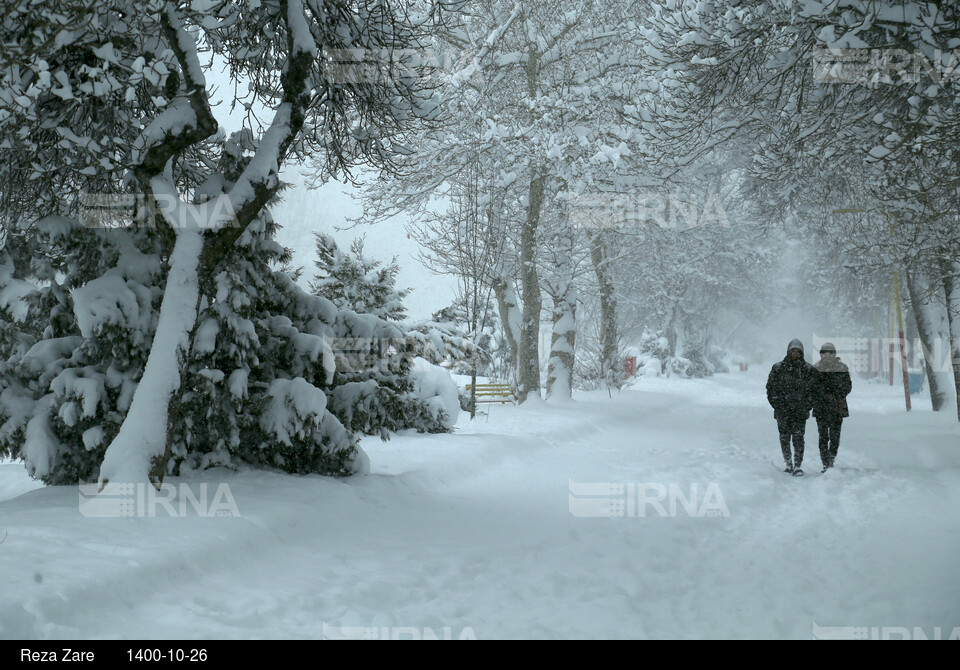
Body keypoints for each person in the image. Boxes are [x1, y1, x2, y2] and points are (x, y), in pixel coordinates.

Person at [766, 339, 815, 476]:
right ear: (788, 351)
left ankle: (798, 465)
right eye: (792, 351)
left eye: (797, 351)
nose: (795, 353)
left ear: (801, 353)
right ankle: (788, 463)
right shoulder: (778, 368)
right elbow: (770, 389)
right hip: (783, 410)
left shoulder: (808, 370)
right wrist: (777, 404)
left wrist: (807, 405)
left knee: (798, 438)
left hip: (800, 411)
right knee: (784, 437)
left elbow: (813, 390)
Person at [810, 342, 852, 473]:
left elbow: (847, 386)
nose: (827, 356)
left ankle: (831, 458)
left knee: (835, 436)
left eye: (830, 353)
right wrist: (823, 395)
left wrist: (835, 395)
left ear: (834, 354)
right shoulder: (815, 368)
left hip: (837, 407)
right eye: (824, 353)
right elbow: (812, 387)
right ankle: (825, 462)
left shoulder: (842, 367)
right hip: (821, 407)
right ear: (821, 354)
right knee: (823, 436)